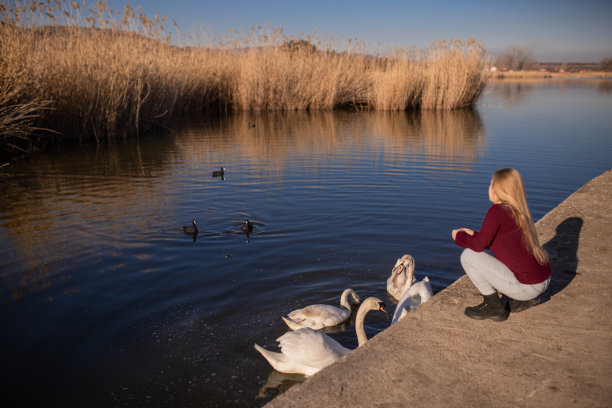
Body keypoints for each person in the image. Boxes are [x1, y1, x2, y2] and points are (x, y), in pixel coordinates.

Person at [452, 168, 551, 322]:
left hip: (528, 287)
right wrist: (475, 235)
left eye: (491, 184)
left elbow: (478, 247)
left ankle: (493, 307)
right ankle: (521, 301)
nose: (489, 187)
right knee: (477, 254)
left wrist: (458, 236)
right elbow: (499, 243)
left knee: (468, 256)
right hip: (542, 281)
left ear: (498, 190)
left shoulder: (496, 211)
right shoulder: (518, 210)